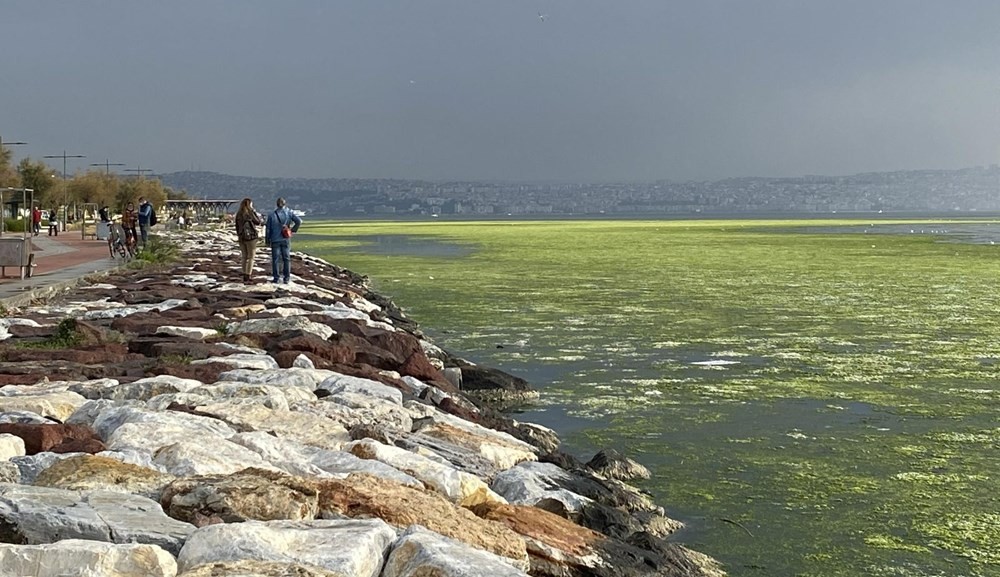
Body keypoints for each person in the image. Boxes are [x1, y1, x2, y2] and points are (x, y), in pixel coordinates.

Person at [264, 197, 302, 284]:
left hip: (275, 239)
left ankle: (276, 278)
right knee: (286, 258)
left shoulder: (271, 215)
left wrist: (267, 240)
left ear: (277, 204)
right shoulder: (289, 213)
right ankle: (286, 278)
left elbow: (268, 229)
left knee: (275, 259)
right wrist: (292, 230)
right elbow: (299, 221)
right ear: (285, 204)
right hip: (285, 238)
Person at [234, 198, 263, 282]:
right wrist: (253, 211)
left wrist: (239, 235)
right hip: (251, 237)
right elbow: (257, 222)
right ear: (249, 204)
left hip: (241, 237)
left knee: (244, 256)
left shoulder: (239, 214)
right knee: (251, 257)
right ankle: (248, 274)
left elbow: (237, 226)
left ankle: (244, 273)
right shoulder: (250, 213)